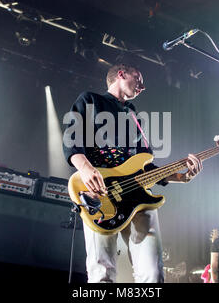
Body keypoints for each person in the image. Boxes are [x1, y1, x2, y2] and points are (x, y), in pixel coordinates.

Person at [63, 63, 203, 283]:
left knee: (153, 272)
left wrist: (181, 177)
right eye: (139, 79)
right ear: (121, 74)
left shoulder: (134, 115)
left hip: (139, 197)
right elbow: (72, 140)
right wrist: (86, 168)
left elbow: (145, 167)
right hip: (99, 194)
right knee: (102, 272)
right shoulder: (90, 100)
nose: (143, 87)